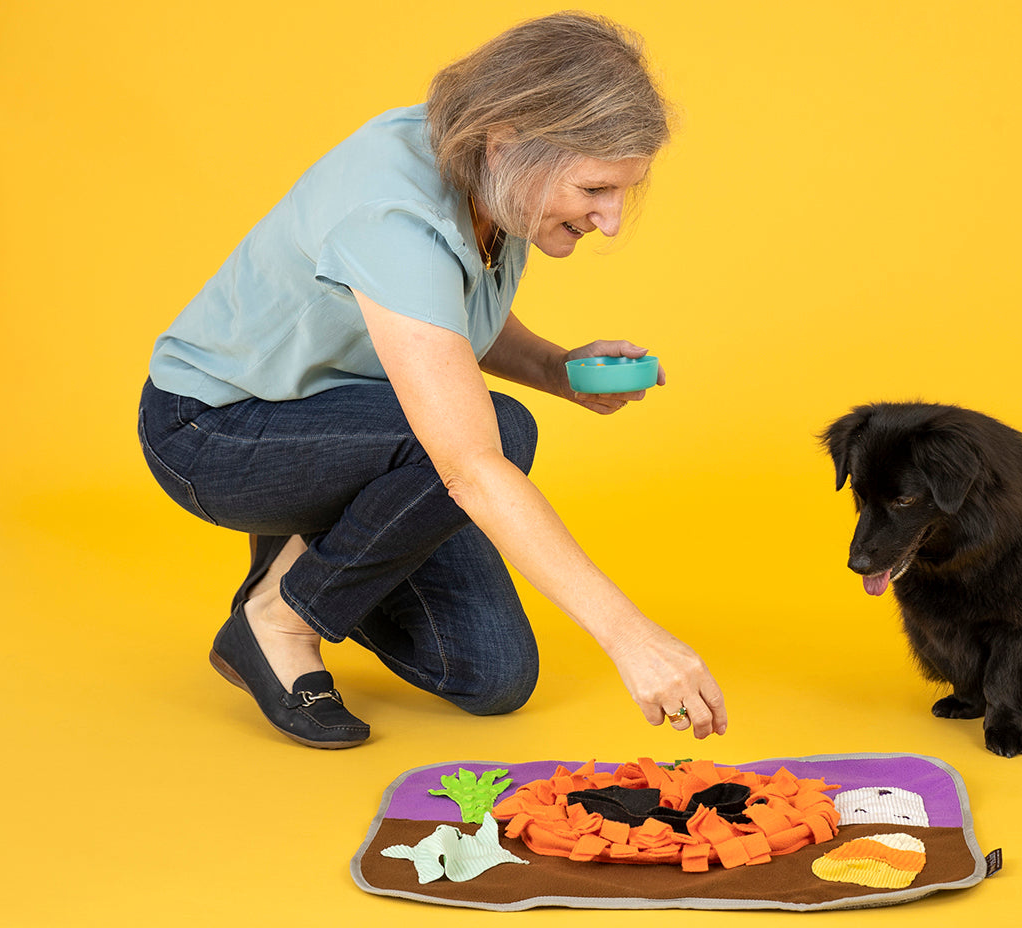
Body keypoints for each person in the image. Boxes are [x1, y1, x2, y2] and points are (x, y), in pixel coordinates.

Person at [137, 12, 727, 749]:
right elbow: (470, 464)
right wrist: (633, 637)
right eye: (595, 190)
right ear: (509, 142)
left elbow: (436, 319)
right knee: (497, 432)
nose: (608, 221)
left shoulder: (491, 171)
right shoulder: (391, 213)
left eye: (622, 194)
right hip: (218, 432)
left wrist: (556, 368)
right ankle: (276, 620)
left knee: (493, 676)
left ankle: (296, 562)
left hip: (352, 422)